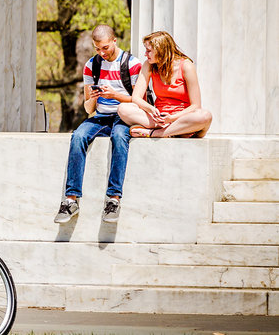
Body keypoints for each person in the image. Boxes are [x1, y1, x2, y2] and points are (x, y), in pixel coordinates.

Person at [54, 25, 142, 224]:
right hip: (101, 116)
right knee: (78, 136)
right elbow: (88, 109)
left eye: (105, 48)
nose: (102, 53)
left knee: (119, 138)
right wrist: (93, 98)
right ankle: (71, 199)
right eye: (97, 49)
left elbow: (139, 101)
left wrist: (115, 95)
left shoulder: (132, 64)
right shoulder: (91, 65)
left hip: (124, 116)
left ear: (114, 41)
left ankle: (113, 199)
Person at [118, 31, 212, 138]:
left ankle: (156, 134)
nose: (145, 54)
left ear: (161, 51)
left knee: (205, 116)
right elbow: (136, 98)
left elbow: (196, 105)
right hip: (159, 120)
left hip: (181, 119)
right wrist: (151, 109)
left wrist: (172, 118)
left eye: (149, 51)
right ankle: (172, 131)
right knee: (123, 108)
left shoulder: (186, 66)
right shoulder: (149, 65)